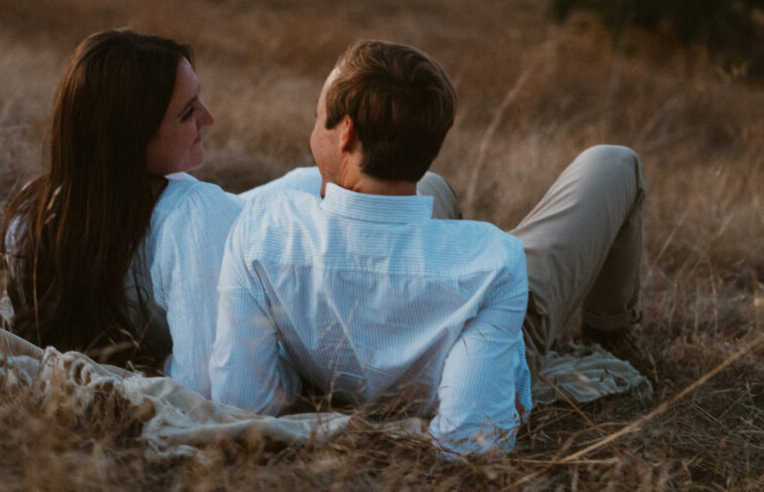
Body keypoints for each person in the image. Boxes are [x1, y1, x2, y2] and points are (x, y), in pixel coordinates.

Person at [209, 40, 646, 457]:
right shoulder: (496, 261)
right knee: (613, 163)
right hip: (479, 318)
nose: (312, 130)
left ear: (346, 133)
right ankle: (610, 332)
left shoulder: (260, 229)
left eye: (316, 116)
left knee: (433, 191)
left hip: (355, 348)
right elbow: (473, 441)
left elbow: (244, 401)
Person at [2, 28, 463, 399]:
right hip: (313, 215)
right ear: (127, 139)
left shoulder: (38, 208)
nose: (209, 118)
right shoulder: (178, 217)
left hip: (337, 205)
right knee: (466, 217)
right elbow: (211, 387)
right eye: (187, 112)